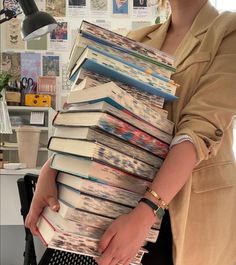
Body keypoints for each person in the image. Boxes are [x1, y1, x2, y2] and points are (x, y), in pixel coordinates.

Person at [25, 1, 236, 265]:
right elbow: (95, 116)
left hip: (187, 216)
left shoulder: (228, 31)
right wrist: (50, 168)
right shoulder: (138, 38)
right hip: (123, 205)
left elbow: (198, 132)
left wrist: (146, 212)